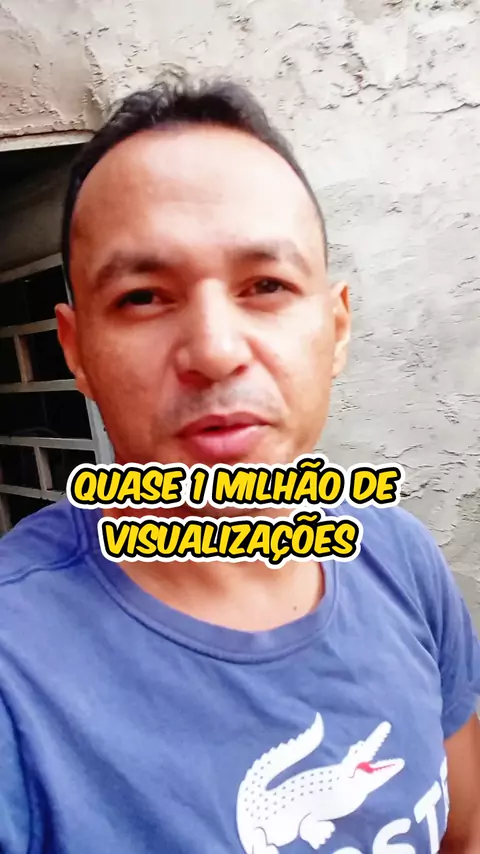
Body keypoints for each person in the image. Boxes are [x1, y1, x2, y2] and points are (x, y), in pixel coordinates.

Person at [0, 75, 479, 854]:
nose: (216, 351)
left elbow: (463, 831)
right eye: (143, 297)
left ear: (336, 328)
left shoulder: (400, 558)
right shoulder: (17, 672)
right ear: (77, 350)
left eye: (266, 285)